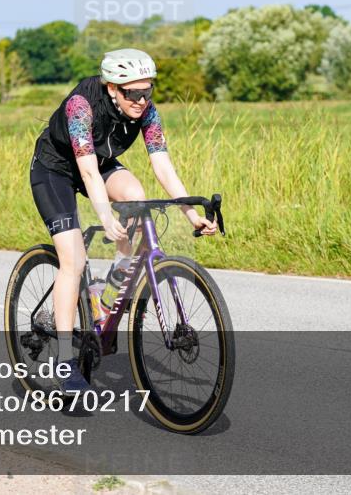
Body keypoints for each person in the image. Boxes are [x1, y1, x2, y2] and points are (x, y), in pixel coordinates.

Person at [29, 48, 218, 394]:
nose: (142, 100)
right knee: (74, 260)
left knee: (136, 196)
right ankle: (65, 359)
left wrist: (191, 213)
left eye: (148, 91)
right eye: (133, 93)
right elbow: (87, 171)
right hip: (56, 169)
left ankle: (109, 295)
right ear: (112, 88)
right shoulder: (81, 106)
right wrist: (104, 215)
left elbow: (163, 166)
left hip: (99, 163)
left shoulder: (147, 110)